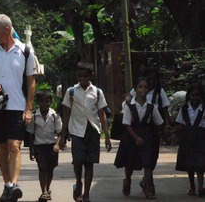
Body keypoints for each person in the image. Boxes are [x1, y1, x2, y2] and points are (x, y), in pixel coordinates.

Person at [0, 14, 37, 201]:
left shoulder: (25, 51)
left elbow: (31, 82)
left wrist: (28, 109)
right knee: (2, 147)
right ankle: (8, 186)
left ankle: (13, 183)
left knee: (15, 145)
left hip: (17, 106)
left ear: (7, 30)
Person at [58, 61, 112, 202]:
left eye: (85, 76)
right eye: (79, 76)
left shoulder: (98, 93)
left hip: (92, 131)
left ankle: (86, 193)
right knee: (78, 161)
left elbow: (102, 114)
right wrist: (62, 136)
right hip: (76, 131)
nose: (82, 79)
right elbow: (66, 114)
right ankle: (78, 182)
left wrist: (107, 136)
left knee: (89, 163)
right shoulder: (71, 92)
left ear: (91, 76)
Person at [114, 77, 164, 199]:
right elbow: (126, 124)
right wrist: (136, 138)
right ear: (135, 89)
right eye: (140, 87)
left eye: (145, 87)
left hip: (147, 136)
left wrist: (166, 132)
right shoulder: (129, 106)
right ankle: (128, 180)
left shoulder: (151, 107)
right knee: (130, 163)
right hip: (131, 136)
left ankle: (147, 189)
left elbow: (159, 122)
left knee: (148, 164)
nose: (143, 89)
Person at [26, 89, 62, 202]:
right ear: (38, 102)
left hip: (52, 146)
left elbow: (60, 133)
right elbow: (31, 134)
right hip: (39, 146)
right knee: (42, 168)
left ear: (51, 102)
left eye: (47, 101)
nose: (44, 104)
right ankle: (44, 192)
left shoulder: (55, 116)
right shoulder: (34, 117)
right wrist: (31, 150)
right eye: (42, 101)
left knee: (50, 169)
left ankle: (48, 188)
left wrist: (57, 145)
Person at [174, 84, 205, 197]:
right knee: (189, 164)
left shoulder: (203, 108)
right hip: (187, 139)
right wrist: (172, 132)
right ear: (189, 96)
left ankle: (200, 186)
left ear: (201, 96)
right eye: (193, 95)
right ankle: (192, 186)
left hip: (201, 139)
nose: (195, 97)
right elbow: (180, 124)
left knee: (200, 164)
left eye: (197, 95)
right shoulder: (184, 109)